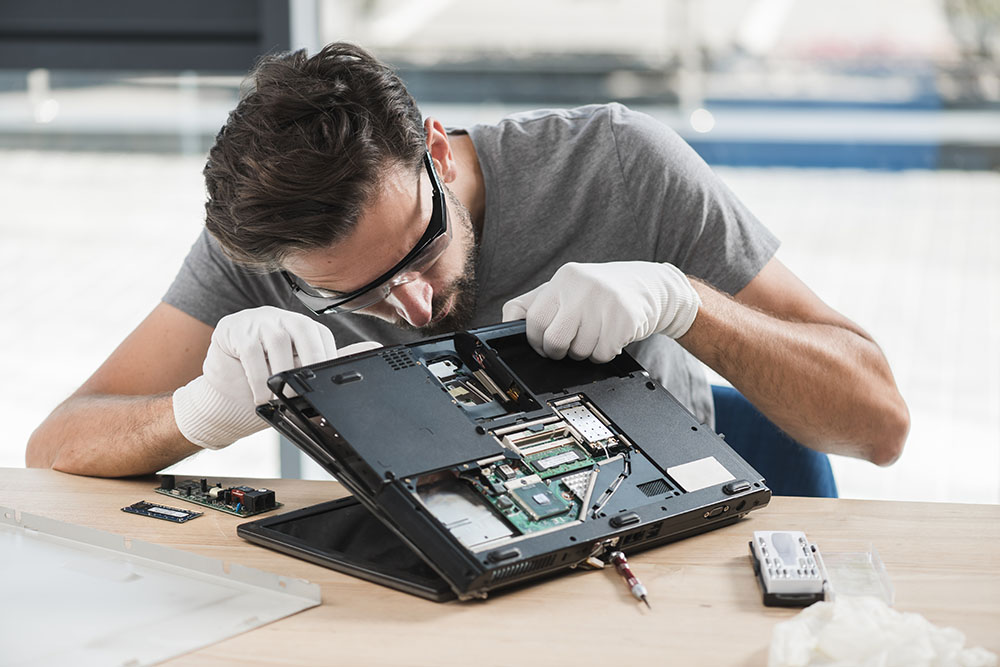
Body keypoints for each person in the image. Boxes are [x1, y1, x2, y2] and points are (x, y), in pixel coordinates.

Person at [26, 43, 909, 491]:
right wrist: (196, 412)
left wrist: (685, 305)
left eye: (419, 251)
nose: (411, 306)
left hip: (658, 548)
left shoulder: (616, 162)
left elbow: (880, 424)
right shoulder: (268, 246)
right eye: (353, 295)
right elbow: (54, 447)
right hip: (427, 574)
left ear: (437, 152)